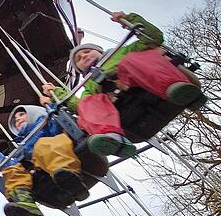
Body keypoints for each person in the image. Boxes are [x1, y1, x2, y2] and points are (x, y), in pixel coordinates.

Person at [42, 11, 202, 157]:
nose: (83, 56)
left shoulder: (123, 52)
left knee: (132, 60)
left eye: (87, 51)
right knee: (90, 102)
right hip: (120, 103)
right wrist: (57, 93)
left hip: (141, 79)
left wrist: (129, 20)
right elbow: (80, 106)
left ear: (99, 51)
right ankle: (111, 136)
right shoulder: (89, 85)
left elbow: (153, 38)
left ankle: (175, 88)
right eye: (78, 59)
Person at [0, 101, 88, 216]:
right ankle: (26, 202)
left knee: (42, 145)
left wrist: (51, 104)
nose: (18, 120)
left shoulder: (46, 122)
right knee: (12, 169)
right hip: (41, 170)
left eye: (22, 115)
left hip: (61, 151)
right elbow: (12, 163)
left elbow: (59, 116)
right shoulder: (22, 146)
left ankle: (71, 179)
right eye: (16, 121)